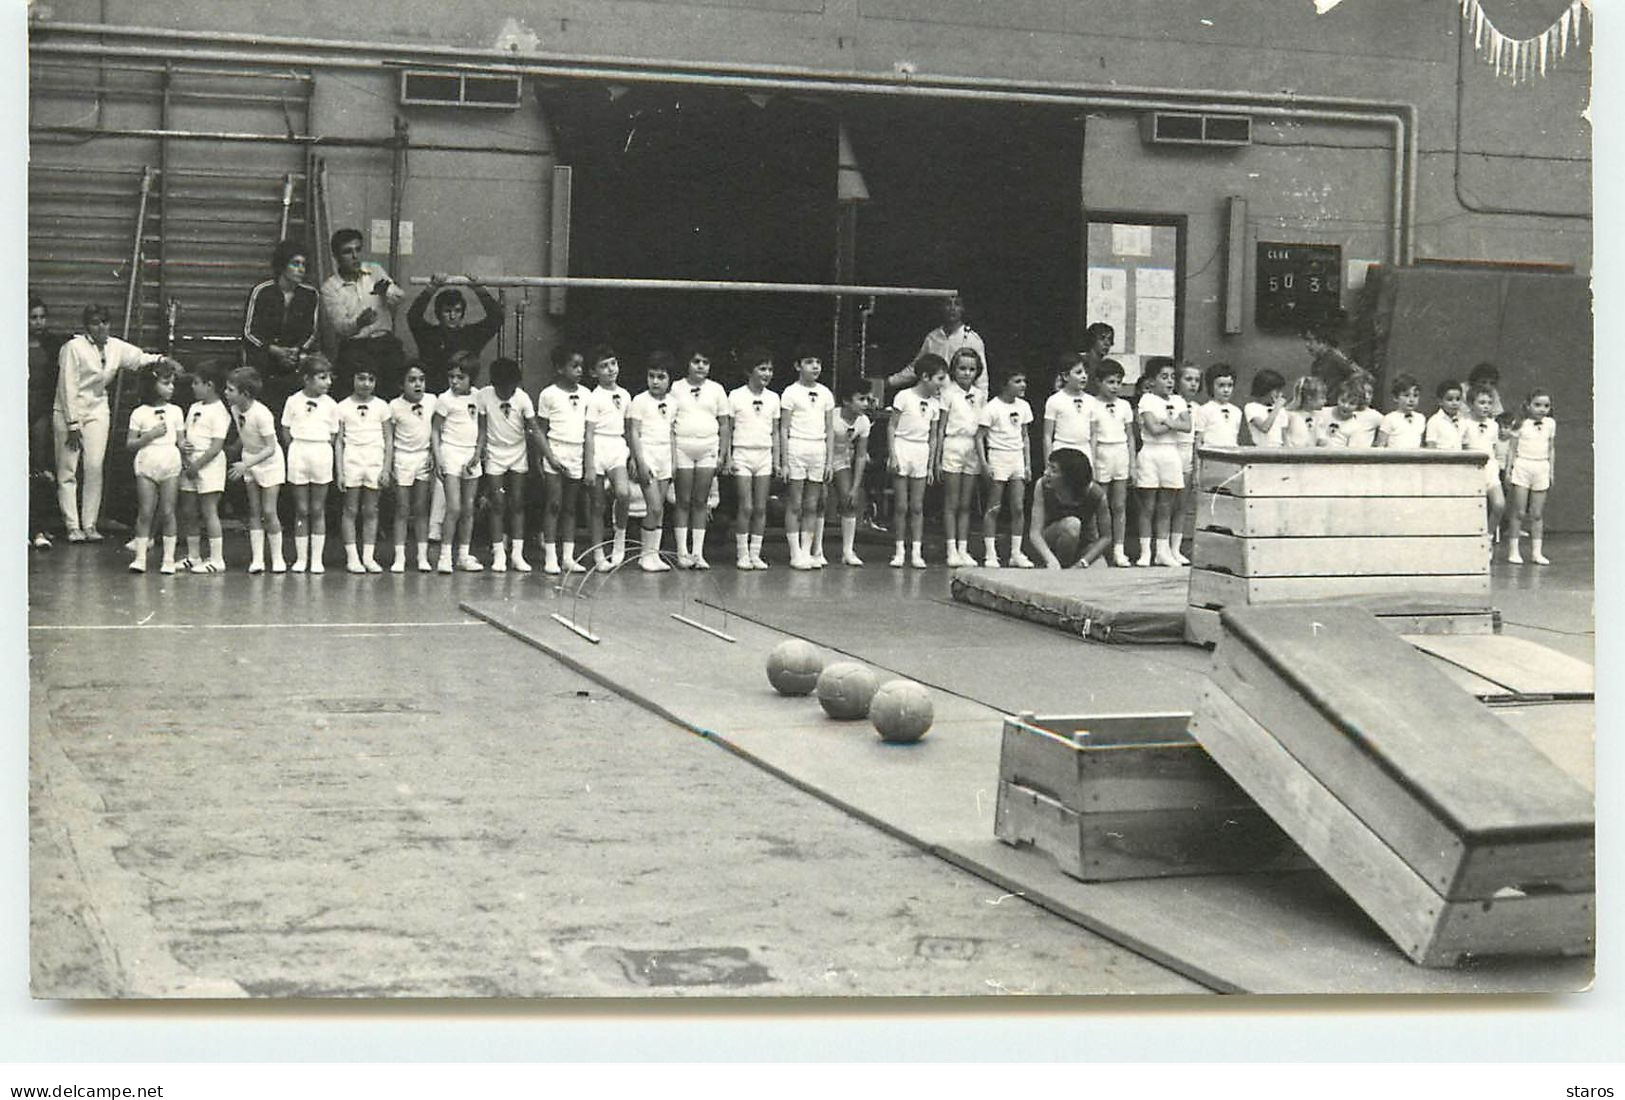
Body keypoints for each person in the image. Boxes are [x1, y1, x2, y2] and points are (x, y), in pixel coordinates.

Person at [53, 304, 175, 542]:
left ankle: (89, 524)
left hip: (97, 409)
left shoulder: (115, 346)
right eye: (97, 322)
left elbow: (139, 358)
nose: (102, 327)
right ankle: (72, 525)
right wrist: (72, 424)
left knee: (94, 466)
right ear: (87, 326)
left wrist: (162, 359)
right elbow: (67, 386)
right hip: (69, 411)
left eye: (106, 322)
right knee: (67, 469)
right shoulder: (72, 348)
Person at [319, 228, 406, 398]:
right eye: (347, 252)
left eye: (358, 250)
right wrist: (359, 323)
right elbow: (340, 327)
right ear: (336, 257)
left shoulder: (374, 270)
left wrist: (387, 291)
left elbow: (399, 297)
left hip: (384, 343)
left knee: (393, 392)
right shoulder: (330, 287)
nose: (355, 256)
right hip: (355, 348)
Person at [669, 344, 731, 571]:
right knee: (682, 500)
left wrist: (724, 453)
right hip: (683, 447)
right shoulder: (676, 388)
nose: (701, 366)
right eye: (696, 362)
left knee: (701, 502)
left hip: (708, 448)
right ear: (688, 364)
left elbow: (724, 424)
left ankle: (698, 552)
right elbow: (668, 420)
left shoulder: (716, 389)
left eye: (705, 362)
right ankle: (681, 552)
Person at [242, 238, 320, 413]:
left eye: (304, 265)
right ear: (283, 265)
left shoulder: (310, 294)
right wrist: (274, 350)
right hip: (264, 356)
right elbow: (248, 331)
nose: (301, 269)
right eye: (295, 263)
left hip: (294, 357)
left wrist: (295, 351)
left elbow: (311, 332)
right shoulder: (262, 291)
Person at [224, 366, 287, 574]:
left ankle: (278, 559)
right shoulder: (234, 409)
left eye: (231, 390)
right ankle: (258, 559)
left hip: (269, 462)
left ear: (245, 394)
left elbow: (270, 448)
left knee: (269, 511)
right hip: (250, 460)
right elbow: (244, 435)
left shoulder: (262, 414)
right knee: (255, 512)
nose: (226, 393)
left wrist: (246, 465)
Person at [280, 354, 341, 573]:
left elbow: (333, 435)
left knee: (317, 508)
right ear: (306, 379)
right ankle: (301, 558)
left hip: (321, 452)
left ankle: (316, 559)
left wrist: (320, 448)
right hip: (299, 451)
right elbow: (286, 431)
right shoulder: (292, 401)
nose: (328, 382)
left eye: (329, 378)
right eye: (322, 378)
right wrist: (297, 449)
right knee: (302, 509)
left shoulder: (332, 405)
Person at [480, 356, 539, 573]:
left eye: (511, 387)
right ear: (494, 384)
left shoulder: (522, 398)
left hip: (517, 452)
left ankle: (517, 554)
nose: (508, 391)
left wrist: (549, 457)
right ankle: (499, 554)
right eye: (503, 388)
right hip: (495, 453)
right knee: (497, 503)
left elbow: (535, 430)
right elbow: (481, 427)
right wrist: (479, 452)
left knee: (517, 503)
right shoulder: (484, 396)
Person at [888, 353, 947, 568]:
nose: (942, 383)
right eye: (939, 378)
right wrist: (893, 455)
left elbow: (932, 435)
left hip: (921, 452)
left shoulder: (935, 403)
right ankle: (899, 550)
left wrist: (931, 465)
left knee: (917, 506)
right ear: (925, 376)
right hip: (903, 447)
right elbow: (892, 426)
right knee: (902, 505)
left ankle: (916, 551)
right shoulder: (903, 396)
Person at [125, 362, 184, 574]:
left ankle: (168, 558)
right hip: (147, 461)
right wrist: (149, 436)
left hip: (169, 460)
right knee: (146, 511)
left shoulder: (176, 411)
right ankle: (140, 557)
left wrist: (186, 448)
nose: (171, 388)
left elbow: (181, 440)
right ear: (152, 385)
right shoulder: (139, 413)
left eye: (172, 384)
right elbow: (130, 444)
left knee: (168, 511)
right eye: (166, 383)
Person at [780, 344, 836, 570]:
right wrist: (784, 461)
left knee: (813, 504)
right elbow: (783, 428)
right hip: (797, 448)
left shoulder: (825, 393)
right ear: (798, 366)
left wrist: (829, 460)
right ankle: (795, 553)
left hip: (818, 449)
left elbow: (830, 428)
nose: (815, 366)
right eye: (809, 362)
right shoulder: (790, 392)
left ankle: (807, 551)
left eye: (818, 362)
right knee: (795, 502)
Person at [537, 345, 591, 575]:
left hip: (576, 451)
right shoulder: (548, 394)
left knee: (570, 507)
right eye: (574, 366)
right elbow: (540, 430)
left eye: (581, 366)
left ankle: (568, 557)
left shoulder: (587, 394)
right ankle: (551, 556)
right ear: (560, 368)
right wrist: (547, 457)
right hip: (555, 450)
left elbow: (589, 431)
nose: (579, 370)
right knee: (554, 504)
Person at [335, 365, 393, 574]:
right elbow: (339, 441)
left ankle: (368, 557)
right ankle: (353, 558)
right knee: (350, 509)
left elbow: (388, 438)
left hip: (374, 459)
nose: (366, 383)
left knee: (371, 509)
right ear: (352, 379)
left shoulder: (382, 406)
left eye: (370, 379)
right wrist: (340, 471)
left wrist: (386, 468)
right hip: (352, 459)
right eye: (361, 378)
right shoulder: (342, 407)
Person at [406, 274, 505, 394]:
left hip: (463, 397)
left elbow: (497, 318)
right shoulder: (429, 335)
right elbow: (413, 316)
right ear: (438, 313)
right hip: (433, 395)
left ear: (463, 313)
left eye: (457, 311)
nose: (453, 316)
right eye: (447, 311)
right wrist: (432, 288)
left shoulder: (471, 335)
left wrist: (479, 289)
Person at [977, 366, 1035, 568]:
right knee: (994, 507)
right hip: (998, 456)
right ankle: (991, 554)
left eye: (1023, 380)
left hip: (1016, 458)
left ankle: (1016, 553)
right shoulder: (992, 408)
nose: (1023, 385)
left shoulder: (1024, 406)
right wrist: (984, 463)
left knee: (1018, 507)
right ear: (1005, 384)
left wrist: (1027, 463)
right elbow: (979, 437)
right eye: (1017, 381)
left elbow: (1025, 436)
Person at [177, 360, 232, 573]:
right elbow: (185, 435)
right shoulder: (193, 408)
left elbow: (216, 446)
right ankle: (193, 555)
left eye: (197, 383)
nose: (193, 386)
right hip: (189, 465)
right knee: (189, 510)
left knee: (209, 510)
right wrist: (184, 450)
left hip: (208, 465)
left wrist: (197, 465)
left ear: (210, 385)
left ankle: (217, 559)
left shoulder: (220, 411)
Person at [432, 357, 486, 573]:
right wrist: (438, 458)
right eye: (451, 377)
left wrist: (477, 454)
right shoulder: (444, 400)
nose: (454, 381)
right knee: (453, 507)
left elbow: (482, 429)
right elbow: (435, 430)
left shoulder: (478, 396)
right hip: (451, 453)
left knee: (467, 508)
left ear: (471, 378)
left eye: (460, 377)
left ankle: (463, 555)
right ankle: (445, 556)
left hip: (470, 456)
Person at [1135, 357, 1190, 567]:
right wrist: (1174, 423)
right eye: (1164, 377)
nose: (1169, 382)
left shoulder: (1179, 401)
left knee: (1166, 505)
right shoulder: (1147, 400)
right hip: (1150, 453)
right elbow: (1153, 429)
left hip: (1171, 454)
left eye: (1172, 377)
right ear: (1152, 380)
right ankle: (1145, 552)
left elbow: (1188, 426)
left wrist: (1168, 421)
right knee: (1148, 505)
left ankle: (1162, 551)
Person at [728, 348, 780, 570]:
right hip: (742, 453)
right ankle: (742, 554)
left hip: (764, 455)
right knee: (746, 506)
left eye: (769, 369)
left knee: (760, 507)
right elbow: (728, 429)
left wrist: (777, 460)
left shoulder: (773, 398)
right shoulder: (736, 396)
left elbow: (776, 431)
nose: (767, 373)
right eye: (762, 369)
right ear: (750, 371)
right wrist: (728, 457)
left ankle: (755, 554)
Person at [584, 345, 635, 572]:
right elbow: (589, 433)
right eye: (603, 366)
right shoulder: (594, 397)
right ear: (594, 372)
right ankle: (598, 553)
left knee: (624, 493)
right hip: (598, 447)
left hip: (617, 446)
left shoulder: (625, 395)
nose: (610, 369)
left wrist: (632, 456)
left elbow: (628, 429)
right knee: (597, 504)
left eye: (612, 363)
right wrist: (589, 465)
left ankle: (619, 541)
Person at [627, 351, 677, 573]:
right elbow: (634, 433)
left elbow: (672, 433)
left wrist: (674, 461)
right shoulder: (639, 401)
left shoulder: (673, 403)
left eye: (661, 377)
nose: (655, 381)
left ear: (669, 379)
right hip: (647, 456)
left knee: (661, 509)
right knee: (654, 507)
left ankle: (654, 554)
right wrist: (640, 460)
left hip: (665, 456)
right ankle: (645, 555)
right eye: (652, 376)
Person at [889, 294, 989, 401]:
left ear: (963, 309)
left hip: (958, 400)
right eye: (948, 304)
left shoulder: (972, 339)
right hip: (933, 398)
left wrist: (981, 404)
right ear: (942, 307)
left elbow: (981, 378)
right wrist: (891, 381)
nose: (952, 308)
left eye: (957, 304)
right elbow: (917, 367)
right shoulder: (932, 337)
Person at [388, 363, 438, 573]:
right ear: (402, 384)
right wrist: (389, 462)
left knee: (421, 509)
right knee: (402, 509)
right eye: (412, 380)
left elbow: (437, 430)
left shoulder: (432, 400)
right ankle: (399, 557)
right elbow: (389, 437)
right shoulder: (394, 406)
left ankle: (422, 556)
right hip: (402, 458)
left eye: (421, 379)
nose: (418, 384)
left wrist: (434, 455)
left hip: (423, 458)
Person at [939, 347, 987, 567]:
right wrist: (938, 456)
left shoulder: (980, 395)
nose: (967, 373)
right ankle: (950, 548)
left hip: (972, 447)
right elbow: (940, 428)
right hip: (953, 445)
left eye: (971, 369)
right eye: (962, 368)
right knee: (952, 501)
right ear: (954, 369)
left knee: (966, 502)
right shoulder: (948, 393)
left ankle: (963, 548)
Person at [1029, 449, 1113, 569]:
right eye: (1048, 467)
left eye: (1054, 470)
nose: (1046, 473)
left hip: (1084, 546)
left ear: (1069, 477)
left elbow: (1106, 537)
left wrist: (1084, 562)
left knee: (1101, 569)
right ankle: (1062, 568)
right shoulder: (1042, 486)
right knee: (1072, 524)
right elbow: (1035, 533)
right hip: (1051, 544)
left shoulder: (1096, 494)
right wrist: (1051, 560)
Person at [1088, 359, 1135, 567]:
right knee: (1102, 504)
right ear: (1098, 382)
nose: (1115, 386)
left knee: (1119, 505)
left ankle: (1119, 549)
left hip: (1120, 453)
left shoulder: (1124, 405)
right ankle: (1099, 550)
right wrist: (1092, 460)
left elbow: (1130, 436)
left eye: (1118, 382)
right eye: (1110, 382)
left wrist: (1132, 463)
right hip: (1102, 454)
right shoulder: (1092, 404)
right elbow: (1092, 436)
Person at [28, 295, 66, 549]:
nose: (38, 322)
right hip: (14, 412)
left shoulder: (53, 345)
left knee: (40, 470)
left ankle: (39, 528)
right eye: (33, 318)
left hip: (40, 413)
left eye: (42, 317)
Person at [1504, 388, 1556, 565]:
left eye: (1546, 406)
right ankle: (1513, 551)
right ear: (1528, 406)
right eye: (1538, 405)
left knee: (1537, 513)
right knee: (1518, 511)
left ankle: (1536, 552)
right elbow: (1511, 449)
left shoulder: (1550, 424)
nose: (1542, 409)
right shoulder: (1520, 424)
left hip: (1541, 466)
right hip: (1522, 466)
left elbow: (1551, 448)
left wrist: (1551, 471)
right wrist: (1509, 470)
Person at [829, 383, 872, 567]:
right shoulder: (832, 416)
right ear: (846, 401)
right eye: (861, 399)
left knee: (848, 499)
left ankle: (847, 551)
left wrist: (855, 487)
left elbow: (861, 455)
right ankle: (816, 551)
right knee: (819, 501)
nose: (865, 403)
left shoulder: (864, 422)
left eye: (867, 399)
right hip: (821, 456)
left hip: (841, 460)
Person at [1461, 383, 1505, 541]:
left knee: (1499, 504)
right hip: (1471, 470)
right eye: (1481, 403)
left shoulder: (1493, 425)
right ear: (1471, 404)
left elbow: (1493, 448)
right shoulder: (1464, 423)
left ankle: (1488, 537)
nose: (1486, 407)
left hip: (1490, 469)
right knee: (1472, 508)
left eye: (1489, 403)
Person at [1170, 361, 1204, 562]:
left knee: (1182, 505)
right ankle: (1162, 547)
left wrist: (1196, 467)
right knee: (1166, 504)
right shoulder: (1171, 402)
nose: (1193, 384)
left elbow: (1197, 441)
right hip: (1170, 453)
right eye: (1188, 379)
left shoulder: (1197, 408)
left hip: (1187, 457)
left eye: (1196, 380)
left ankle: (1176, 548)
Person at [1303, 317, 1361, 401]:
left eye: (1310, 341)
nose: (1307, 345)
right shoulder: (1317, 363)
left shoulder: (1335, 358)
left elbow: (1360, 375)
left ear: (1323, 342)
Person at [1314, 378, 1382, 448]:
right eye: (1343, 401)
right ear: (1337, 397)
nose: (1346, 406)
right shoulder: (1323, 413)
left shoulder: (1355, 426)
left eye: (1352, 403)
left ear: (1358, 406)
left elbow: (1351, 452)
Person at [1193, 363, 1243, 451]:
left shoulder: (1237, 411)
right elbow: (1199, 441)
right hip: (1212, 456)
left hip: (1231, 456)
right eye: (1221, 385)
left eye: (1230, 385)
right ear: (1211, 386)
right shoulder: (1204, 410)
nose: (1226, 390)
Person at [1376, 374, 1426, 449]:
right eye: (1406, 395)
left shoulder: (1421, 418)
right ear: (1396, 398)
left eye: (1415, 395)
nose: (1411, 400)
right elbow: (1380, 445)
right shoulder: (1389, 418)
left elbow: (1420, 444)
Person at [1244, 369, 1288, 448]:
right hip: (1261, 451)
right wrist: (1277, 407)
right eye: (1276, 391)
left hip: (1279, 451)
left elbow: (1284, 436)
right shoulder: (1251, 407)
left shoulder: (1281, 410)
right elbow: (1264, 428)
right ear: (1266, 389)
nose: (1279, 394)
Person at [1282, 375, 1327, 448]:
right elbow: (1283, 433)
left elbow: (1320, 436)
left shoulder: (1318, 416)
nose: (1325, 401)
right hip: (1293, 454)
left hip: (1311, 454)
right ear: (1309, 398)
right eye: (1322, 398)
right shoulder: (1291, 414)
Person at [1081, 322, 1115, 395]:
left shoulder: (1106, 366)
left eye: (1109, 339)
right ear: (1093, 339)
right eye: (1102, 338)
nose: (1107, 343)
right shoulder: (1081, 362)